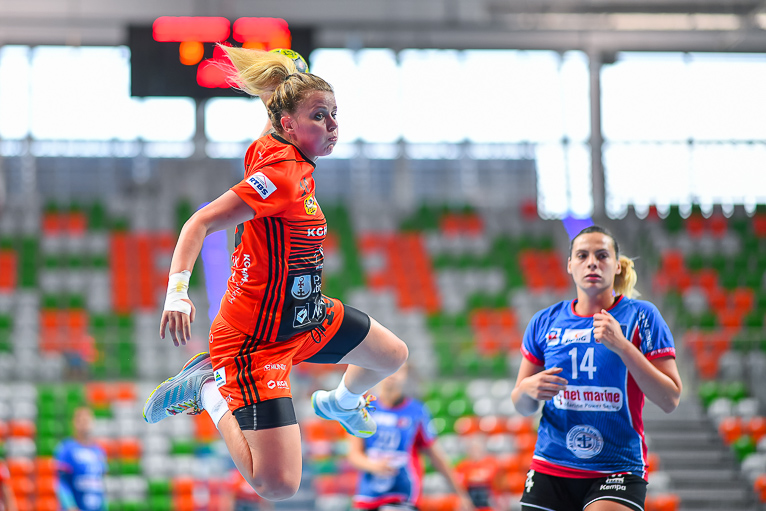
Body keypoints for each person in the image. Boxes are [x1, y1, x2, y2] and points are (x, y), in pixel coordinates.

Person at [142, 47, 409, 502]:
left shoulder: (280, 147)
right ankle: (208, 389)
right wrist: (177, 293)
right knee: (278, 484)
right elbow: (199, 222)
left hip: (307, 316)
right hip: (256, 340)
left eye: (334, 114)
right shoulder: (281, 177)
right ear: (288, 125)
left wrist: (289, 78)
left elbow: (275, 117)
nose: (332, 125)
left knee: (391, 355)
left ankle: (341, 403)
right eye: (319, 116)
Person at [511, 225, 682, 511]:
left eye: (602, 255)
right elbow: (522, 405)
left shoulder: (642, 316)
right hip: (551, 464)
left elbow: (670, 399)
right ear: (570, 265)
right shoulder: (544, 321)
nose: (592, 262)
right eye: (582, 255)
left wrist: (623, 346)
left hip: (617, 467)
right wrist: (528, 389)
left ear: (617, 265)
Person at [348, 365, 475, 511]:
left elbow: (436, 456)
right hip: (368, 496)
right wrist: (374, 465)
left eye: (399, 370)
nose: (393, 374)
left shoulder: (417, 411)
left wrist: (461, 493)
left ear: (405, 374)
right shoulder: (364, 407)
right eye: (390, 368)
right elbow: (354, 454)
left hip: (402, 495)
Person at [55, 407, 107, 511]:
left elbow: (101, 485)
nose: (84, 424)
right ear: (74, 423)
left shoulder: (99, 451)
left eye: (87, 420)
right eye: (81, 421)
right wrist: (70, 506)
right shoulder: (66, 448)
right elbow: (61, 482)